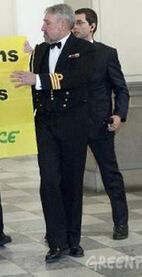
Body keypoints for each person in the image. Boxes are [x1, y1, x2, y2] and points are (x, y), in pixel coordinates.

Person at [11, 4, 95, 263]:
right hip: (45, 125)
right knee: (49, 182)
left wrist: (37, 79)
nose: (42, 27)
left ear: (63, 24)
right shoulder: (38, 51)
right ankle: (55, 241)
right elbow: (24, 79)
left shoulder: (84, 49)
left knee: (71, 183)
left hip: (73, 126)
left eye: (46, 22)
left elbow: (73, 79)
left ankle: (73, 239)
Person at [73, 8, 130, 240]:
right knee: (70, 179)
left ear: (92, 26)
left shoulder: (107, 53)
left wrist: (119, 114)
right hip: (73, 126)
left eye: (79, 23)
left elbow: (121, 88)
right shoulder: (65, 53)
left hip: (100, 124)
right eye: (73, 23)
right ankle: (66, 230)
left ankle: (121, 223)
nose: (75, 27)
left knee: (110, 175)